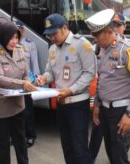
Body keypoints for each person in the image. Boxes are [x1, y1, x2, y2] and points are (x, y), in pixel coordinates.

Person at [85, 9, 130, 164]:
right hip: (105, 110)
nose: (95, 39)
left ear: (108, 32)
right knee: (112, 153)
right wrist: (97, 105)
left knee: (119, 156)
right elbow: (101, 79)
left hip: (122, 111)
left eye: (97, 35)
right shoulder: (101, 49)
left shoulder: (127, 49)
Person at [37, 14, 96, 164]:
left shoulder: (82, 45)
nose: (52, 38)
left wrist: (71, 89)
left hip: (77, 104)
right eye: (49, 35)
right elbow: (50, 72)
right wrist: (44, 78)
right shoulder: (52, 49)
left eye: (54, 34)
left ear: (65, 28)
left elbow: (90, 73)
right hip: (61, 104)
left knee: (80, 148)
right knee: (67, 147)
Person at [0, 21, 37, 164]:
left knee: (21, 144)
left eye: (16, 37)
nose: (14, 41)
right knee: (2, 147)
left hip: (17, 106)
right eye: (11, 38)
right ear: (2, 37)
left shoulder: (20, 49)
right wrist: (23, 84)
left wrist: (29, 81)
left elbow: (26, 72)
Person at [16, 21, 40, 147]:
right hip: (14, 82)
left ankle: (30, 136)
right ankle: (16, 137)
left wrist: (35, 80)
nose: (16, 32)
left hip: (26, 81)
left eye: (18, 29)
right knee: (14, 111)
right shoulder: (9, 44)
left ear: (23, 30)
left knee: (27, 111)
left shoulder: (30, 44)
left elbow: (34, 65)